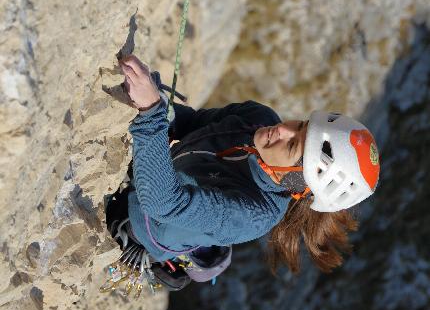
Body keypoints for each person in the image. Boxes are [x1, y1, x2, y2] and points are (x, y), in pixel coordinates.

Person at [105, 54, 380, 292]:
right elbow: (195, 123)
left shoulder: (254, 214)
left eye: (293, 144)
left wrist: (151, 111)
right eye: (302, 124)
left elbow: (163, 203)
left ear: (296, 182)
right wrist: (157, 102)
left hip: (140, 223)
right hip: (160, 173)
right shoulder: (258, 118)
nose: (284, 129)